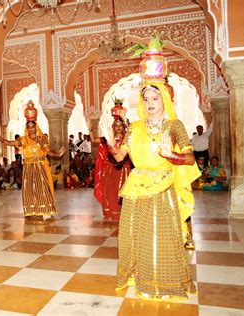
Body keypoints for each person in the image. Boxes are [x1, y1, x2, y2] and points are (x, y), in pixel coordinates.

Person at [100, 36, 200, 300]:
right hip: (136, 188)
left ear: (164, 99)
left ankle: (165, 281)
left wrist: (173, 156)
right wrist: (112, 145)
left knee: (163, 237)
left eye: (155, 97)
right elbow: (121, 157)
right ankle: (138, 276)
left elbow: (190, 160)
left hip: (163, 186)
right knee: (134, 235)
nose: (150, 102)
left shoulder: (174, 126)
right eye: (146, 99)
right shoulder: (135, 127)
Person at [0, 100, 65, 218]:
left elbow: (48, 152)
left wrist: (57, 154)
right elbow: (11, 142)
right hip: (28, 167)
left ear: (36, 126)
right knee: (29, 189)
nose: (31, 129)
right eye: (29, 127)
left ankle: (45, 209)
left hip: (39, 166)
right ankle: (32, 210)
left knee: (42, 188)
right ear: (27, 128)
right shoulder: (23, 140)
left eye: (33, 126)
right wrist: (1, 139)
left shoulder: (42, 138)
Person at [94, 107, 132, 222]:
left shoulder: (127, 139)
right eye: (116, 125)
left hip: (125, 170)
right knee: (110, 192)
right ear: (113, 128)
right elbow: (102, 151)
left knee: (124, 192)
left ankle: (124, 213)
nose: (119, 127)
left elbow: (132, 132)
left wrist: (125, 119)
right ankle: (111, 211)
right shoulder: (108, 140)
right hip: (111, 170)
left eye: (121, 125)